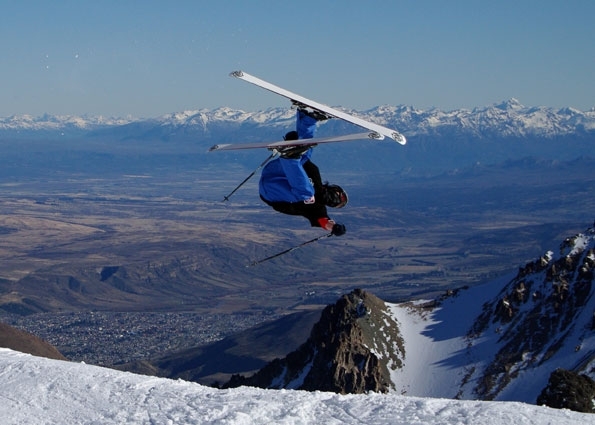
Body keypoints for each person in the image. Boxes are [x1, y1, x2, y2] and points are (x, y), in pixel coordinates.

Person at [259, 108, 347, 236]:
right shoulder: (315, 174)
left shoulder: (317, 208)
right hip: (274, 172)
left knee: (307, 194)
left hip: (271, 193)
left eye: (337, 199)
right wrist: (294, 143)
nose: (333, 196)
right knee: (305, 156)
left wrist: (334, 228)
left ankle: (290, 156)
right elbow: (304, 157)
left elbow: (324, 222)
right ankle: (308, 119)